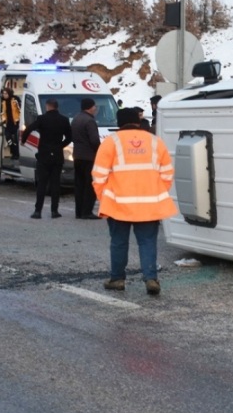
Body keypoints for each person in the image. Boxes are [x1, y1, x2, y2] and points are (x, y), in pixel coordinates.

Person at [93, 108, 178, 295]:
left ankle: (117, 279)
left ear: (119, 123)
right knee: (147, 242)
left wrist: (104, 198)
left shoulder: (110, 142)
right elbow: (167, 174)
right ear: (138, 123)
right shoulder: (156, 142)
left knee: (118, 242)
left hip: (118, 204)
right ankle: (151, 279)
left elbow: (98, 176)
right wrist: (156, 192)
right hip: (149, 205)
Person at [21, 98, 71, 219]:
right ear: (57, 107)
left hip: (44, 155)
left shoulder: (42, 119)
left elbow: (29, 129)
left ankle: (38, 211)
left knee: (42, 184)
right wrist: (59, 146)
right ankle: (55, 211)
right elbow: (69, 137)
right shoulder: (64, 120)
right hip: (57, 156)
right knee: (55, 183)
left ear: (47, 106)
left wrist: (23, 141)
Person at [71, 98, 101, 219]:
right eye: (94, 106)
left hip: (77, 155)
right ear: (90, 107)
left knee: (79, 185)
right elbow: (94, 140)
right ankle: (87, 211)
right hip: (89, 157)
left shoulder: (76, 119)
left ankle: (79, 211)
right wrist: (100, 151)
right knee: (89, 185)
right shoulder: (89, 121)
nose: (95, 108)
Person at [0, 88, 21, 160]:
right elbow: (2, 113)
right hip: (8, 124)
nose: (4, 95)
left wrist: (20, 119)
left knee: (16, 140)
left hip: (16, 123)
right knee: (8, 139)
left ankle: (16, 154)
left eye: (6, 93)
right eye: (3, 93)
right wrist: (3, 121)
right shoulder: (3, 102)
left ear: (9, 93)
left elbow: (20, 109)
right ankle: (13, 152)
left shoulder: (15, 100)